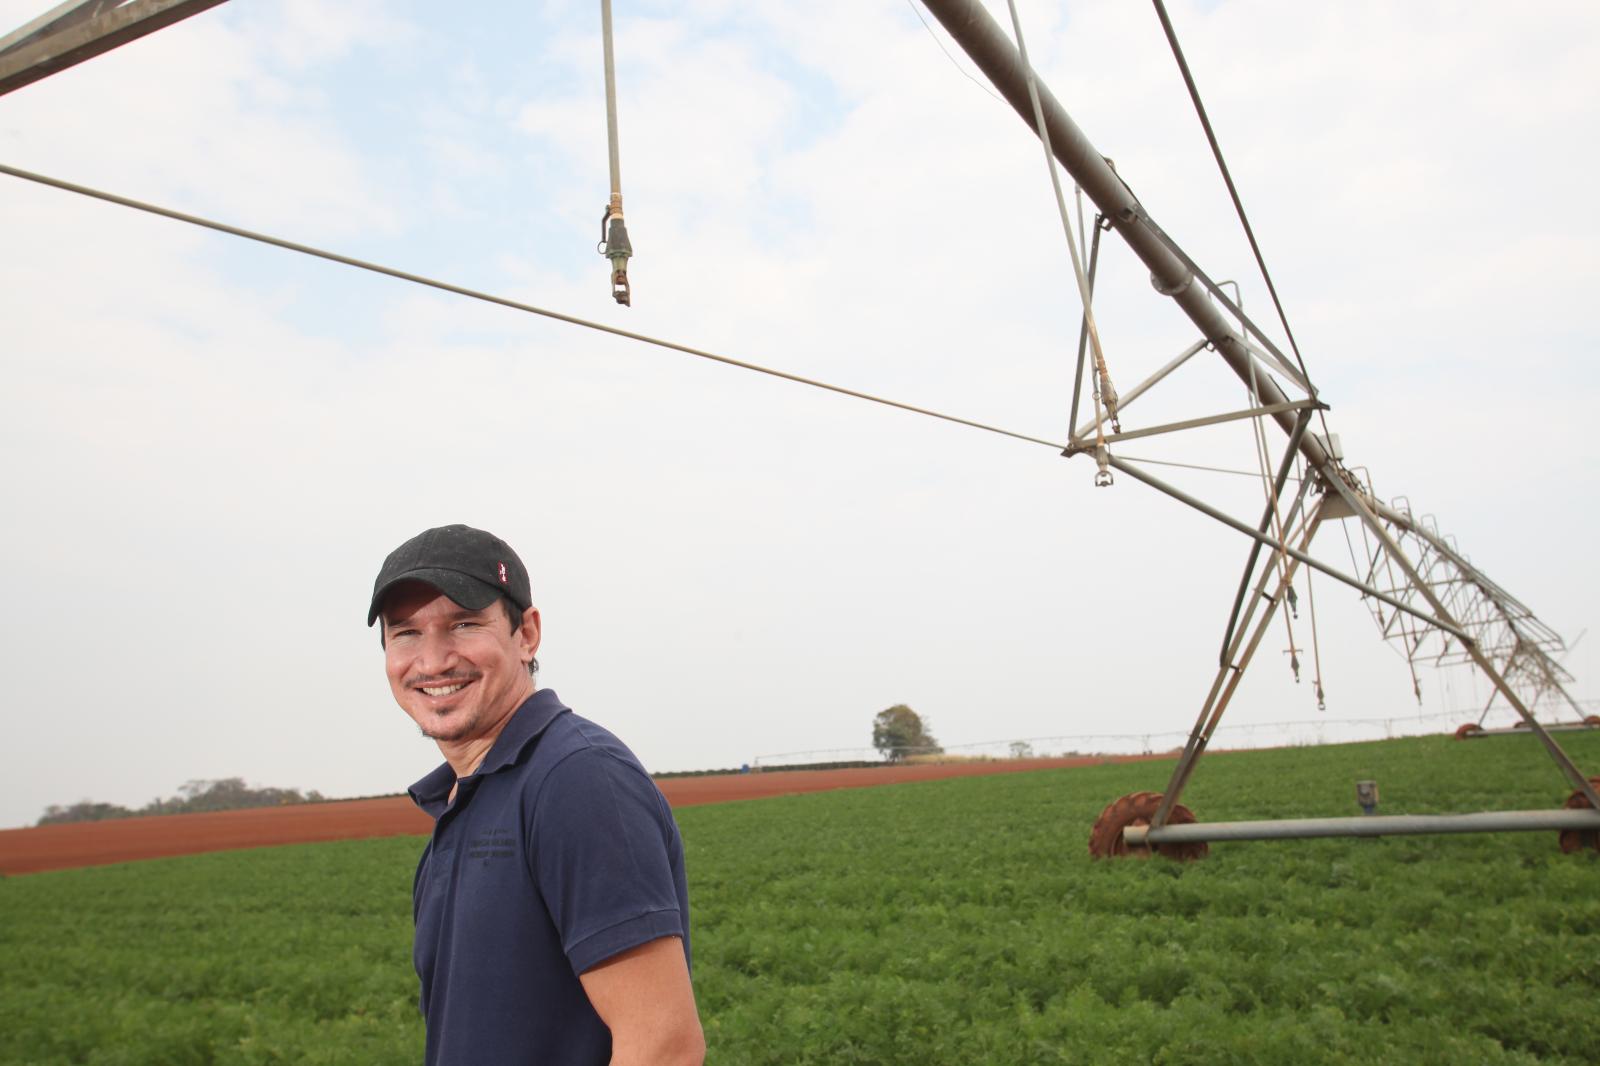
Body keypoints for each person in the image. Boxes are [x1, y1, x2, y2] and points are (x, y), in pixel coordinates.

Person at [368, 523, 705, 1066]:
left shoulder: (576, 778)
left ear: (526, 633)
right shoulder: (464, 801)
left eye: (464, 624)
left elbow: (664, 1045)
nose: (432, 662)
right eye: (405, 633)